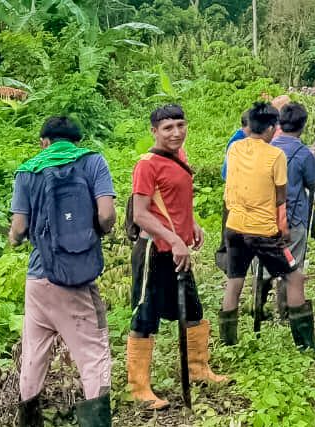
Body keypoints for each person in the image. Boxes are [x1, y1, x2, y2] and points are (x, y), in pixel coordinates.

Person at [10, 117, 114, 426]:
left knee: (33, 356)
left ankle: (28, 420)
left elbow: (19, 228)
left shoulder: (28, 170)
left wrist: (14, 239)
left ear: (44, 142)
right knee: (94, 356)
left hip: (38, 281)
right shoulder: (92, 162)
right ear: (76, 141)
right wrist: (87, 235)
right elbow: (107, 215)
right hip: (74, 280)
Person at [128, 105, 229, 411]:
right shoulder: (146, 165)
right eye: (168, 128)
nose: (176, 133)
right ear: (154, 131)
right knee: (144, 318)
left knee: (193, 312)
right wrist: (173, 238)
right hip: (153, 251)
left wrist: (192, 224)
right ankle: (139, 388)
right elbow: (141, 214)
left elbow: (175, 202)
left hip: (177, 250)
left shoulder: (181, 157)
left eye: (180, 125)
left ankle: (197, 369)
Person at [220, 102, 315, 351]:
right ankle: (306, 343)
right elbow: (280, 198)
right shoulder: (275, 156)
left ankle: (228, 343)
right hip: (264, 231)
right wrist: (283, 228)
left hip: (233, 227)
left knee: (235, 281)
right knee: (295, 278)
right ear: (271, 128)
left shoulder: (234, 150)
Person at [252, 102, 315, 326]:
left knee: (263, 263)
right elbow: (311, 182)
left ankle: (257, 307)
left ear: (279, 123)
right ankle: (285, 314)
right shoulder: (304, 154)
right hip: (294, 218)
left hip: (264, 216)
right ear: (303, 126)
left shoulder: (265, 148)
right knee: (292, 267)